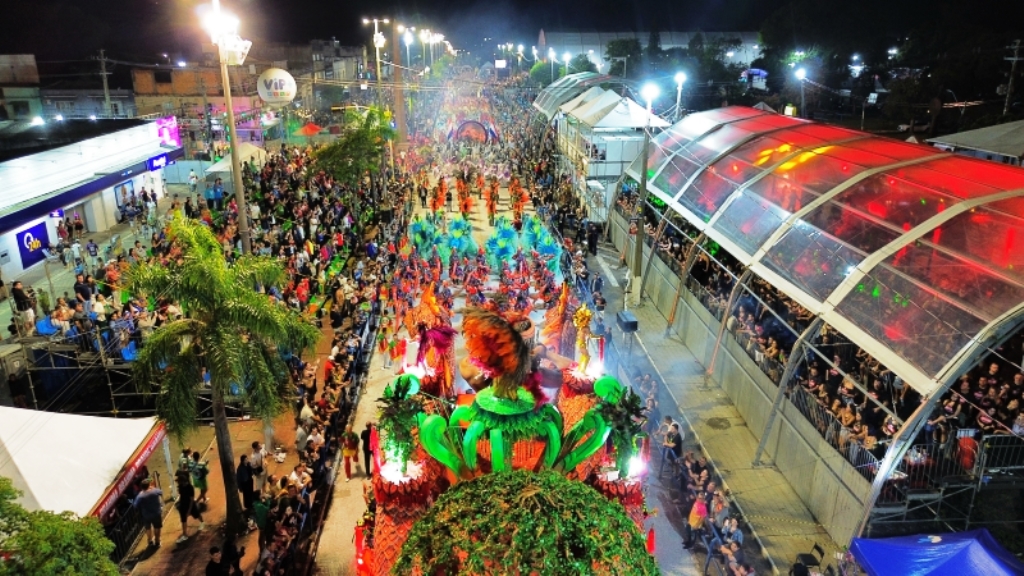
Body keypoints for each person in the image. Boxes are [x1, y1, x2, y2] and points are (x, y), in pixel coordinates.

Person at [175, 469, 205, 543]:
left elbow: (191, 500)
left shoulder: (190, 487)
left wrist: (189, 510)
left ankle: (202, 522)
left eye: (179, 481)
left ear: (183, 481)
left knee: (197, 515)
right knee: (183, 520)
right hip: (183, 505)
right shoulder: (181, 486)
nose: (178, 482)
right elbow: (181, 495)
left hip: (190, 505)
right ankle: (185, 535)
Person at [133, 478, 164, 548]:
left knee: (148, 528)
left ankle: (150, 541)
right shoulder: (154, 491)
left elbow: (135, 505)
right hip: (156, 513)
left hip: (146, 515)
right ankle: (157, 541)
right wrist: (152, 488)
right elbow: (161, 492)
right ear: (149, 485)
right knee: (157, 527)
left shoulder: (140, 495)